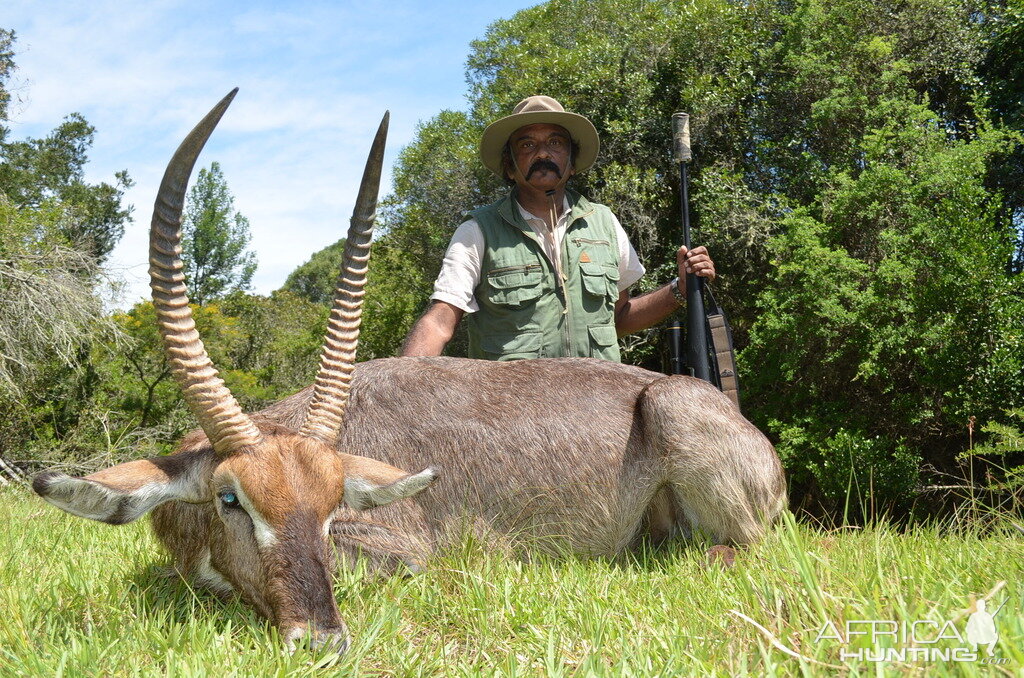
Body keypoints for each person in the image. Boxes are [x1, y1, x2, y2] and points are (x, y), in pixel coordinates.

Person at [401, 95, 716, 361]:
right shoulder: (478, 231)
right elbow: (440, 321)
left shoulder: (604, 222)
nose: (542, 153)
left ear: (572, 162)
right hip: (512, 416)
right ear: (510, 167)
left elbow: (618, 318)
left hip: (598, 405)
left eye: (555, 143)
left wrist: (680, 290)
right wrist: (404, 381)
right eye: (526, 145)